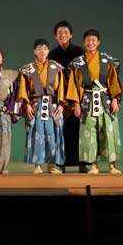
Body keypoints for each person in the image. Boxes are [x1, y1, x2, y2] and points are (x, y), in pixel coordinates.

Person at [66, 29, 122, 174]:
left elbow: (114, 82)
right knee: (88, 132)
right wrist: (76, 104)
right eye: (88, 40)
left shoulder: (107, 60)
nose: (91, 43)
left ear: (98, 42)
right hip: (86, 100)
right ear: (84, 43)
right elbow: (74, 84)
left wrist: (115, 99)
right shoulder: (78, 63)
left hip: (106, 100)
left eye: (93, 40)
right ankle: (93, 165)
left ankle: (112, 165)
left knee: (109, 130)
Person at [18, 39, 65, 174]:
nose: (42, 51)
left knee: (52, 134)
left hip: (52, 105)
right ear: (34, 51)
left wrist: (61, 104)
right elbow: (23, 89)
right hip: (36, 104)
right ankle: (37, 165)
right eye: (39, 48)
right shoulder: (28, 69)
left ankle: (51, 165)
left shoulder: (56, 67)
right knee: (36, 133)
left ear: (48, 51)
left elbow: (61, 87)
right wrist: (26, 104)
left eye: (44, 48)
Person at [48, 20, 86, 173]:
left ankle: (83, 163)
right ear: (55, 36)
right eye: (59, 33)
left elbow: (83, 75)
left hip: (77, 93)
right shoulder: (52, 54)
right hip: (59, 96)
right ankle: (60, 164)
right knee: (60, 130)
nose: (62, 35)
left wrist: (78, 99)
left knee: (79, 129)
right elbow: (50, 78)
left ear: (70, 35)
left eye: (65, 32)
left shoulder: (79, 51)